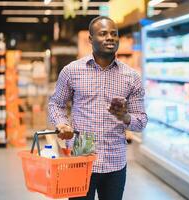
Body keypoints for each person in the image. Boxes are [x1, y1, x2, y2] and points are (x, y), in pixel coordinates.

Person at [48, 16, 148, 200]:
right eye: (103, 33)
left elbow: (141, 121)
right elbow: (56, 104)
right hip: (81, 157)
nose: (110, 37)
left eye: (114, 34)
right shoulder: (71, 71)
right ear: (91, 39)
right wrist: (62, 124)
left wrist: (125, 116)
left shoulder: (131, 77)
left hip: (115, 162)